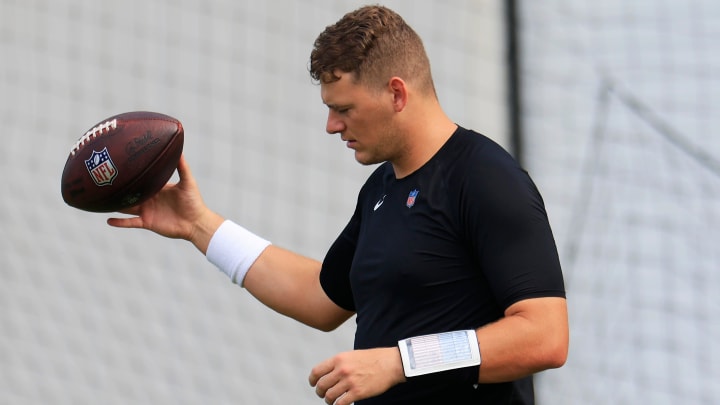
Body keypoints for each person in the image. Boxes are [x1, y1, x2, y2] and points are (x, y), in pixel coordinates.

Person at [108, 5, 568, 404]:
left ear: (396, 93)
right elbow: (321, 296)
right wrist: (199, 225)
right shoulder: (381, 189)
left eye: (344, 108)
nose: (331, 125)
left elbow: (545, 335)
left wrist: (401, 363)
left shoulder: (486, 178)